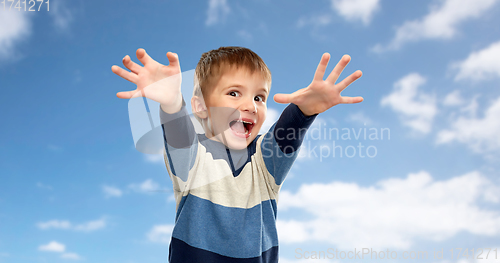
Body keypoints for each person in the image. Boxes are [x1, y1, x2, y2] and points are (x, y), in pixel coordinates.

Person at [111, 46, 363, 263]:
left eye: (259, 97)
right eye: (234, 93)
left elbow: (286, 133)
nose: (250, 105)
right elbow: (179, 135)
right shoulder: (193, 158)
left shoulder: (265, 165)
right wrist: (171, 103)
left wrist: (304, 110)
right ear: (200, 106)